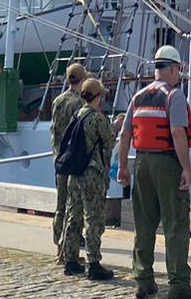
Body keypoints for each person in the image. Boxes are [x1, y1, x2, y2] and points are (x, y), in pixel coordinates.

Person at [117, 44, 191, 299]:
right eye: (179, 70)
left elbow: (125, 134)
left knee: (143, 224)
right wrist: (186, 168)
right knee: (175, 223)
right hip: (167, 163)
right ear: (174, 69)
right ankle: (178, 285)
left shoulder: (138, 96)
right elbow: (178, 132)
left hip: (141, 162)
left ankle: (143, 281)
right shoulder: (174, 96)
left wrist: (124, 166)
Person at [59, 77, 118, 281]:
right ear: (98, 96)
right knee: (93, 217)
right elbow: (109, 141)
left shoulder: (77, 115)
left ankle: (71, 260)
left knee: (73, 215)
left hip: (74, 173)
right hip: (91, 174)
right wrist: (116, 125)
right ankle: (94, 263)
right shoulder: (97, 118)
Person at [49, 62, 90, 263]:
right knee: (73, 207)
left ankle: (58, 247)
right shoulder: (79, 104)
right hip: (73, 161)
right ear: (82, 79)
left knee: (60, 205)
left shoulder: (57, 101)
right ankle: (67, 249)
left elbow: (54, 130)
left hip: (59, 159)